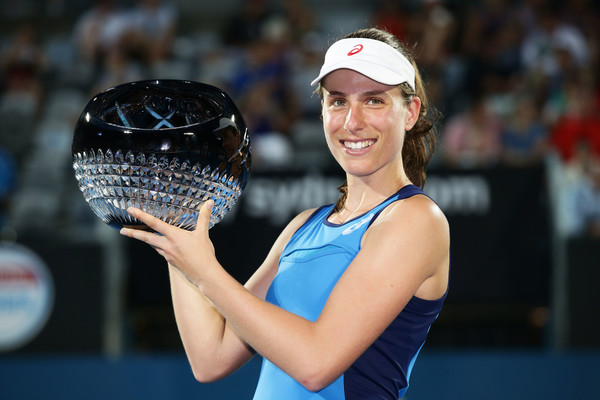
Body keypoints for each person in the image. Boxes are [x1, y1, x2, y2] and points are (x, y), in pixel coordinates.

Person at [120, 27, 450, 399]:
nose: (352, 121)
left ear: (410, 112)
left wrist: (206, 272)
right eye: (337, 101)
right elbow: (210, 357)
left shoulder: (416, 220)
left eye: (374, 100)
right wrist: (176, 231)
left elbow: (316, 364)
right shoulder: (303, 226)